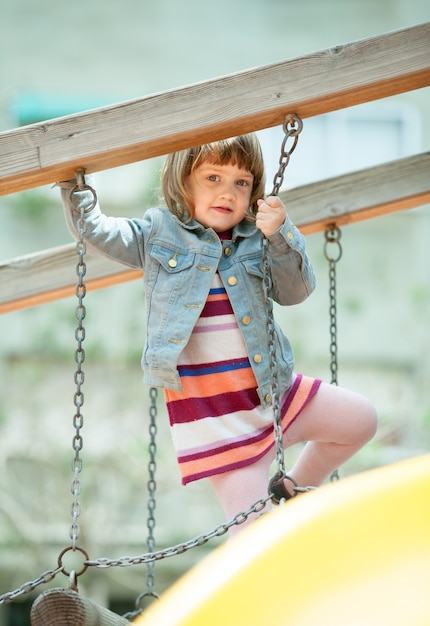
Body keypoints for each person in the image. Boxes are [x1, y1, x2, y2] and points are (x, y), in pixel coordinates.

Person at [58, 133, 377, 535]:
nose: (227, 192)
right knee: (254, 538)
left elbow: (296, 290)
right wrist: (76, 188)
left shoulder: (257, 240)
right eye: (213, 178)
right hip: (217, 421)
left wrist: (281, 234)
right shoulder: (159, 234)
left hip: (274, 393)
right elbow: (100, 232)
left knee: (360, 419)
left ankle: (292, 487)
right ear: (184, 181)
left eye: (241, 182)